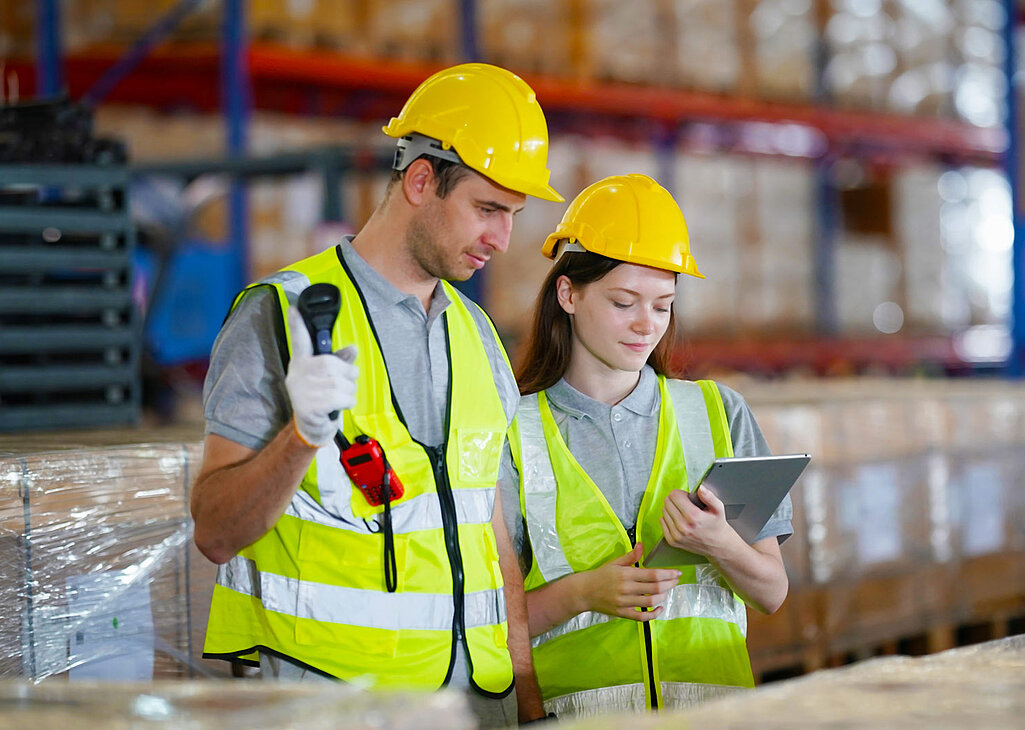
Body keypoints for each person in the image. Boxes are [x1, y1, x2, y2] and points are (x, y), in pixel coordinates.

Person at [191, 63, 564, 728]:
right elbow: (217, 532)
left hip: (478, 700)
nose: (502, 240)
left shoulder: (476, 336)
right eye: (487, 210)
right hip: (337, 704)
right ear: (420, 180)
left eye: (512, 216)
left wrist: (525, 691)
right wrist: (301, 437)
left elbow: (490, 531)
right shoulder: (279, 316)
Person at [500, 174, 792, 718]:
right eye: (623, 302)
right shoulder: (513, 431)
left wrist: (718, 543)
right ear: (568, 293)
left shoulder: (719, 412)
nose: (645, 325)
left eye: (662, 306)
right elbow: (488, 622)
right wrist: (582, 593)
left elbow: (772, 591)